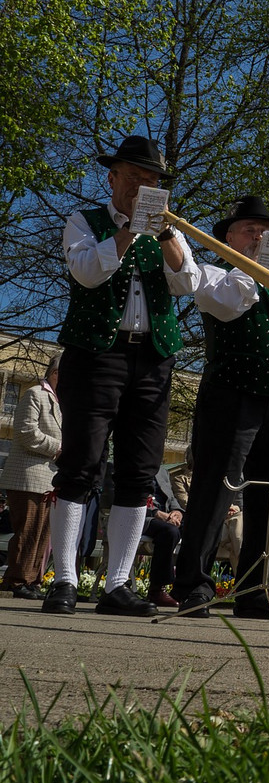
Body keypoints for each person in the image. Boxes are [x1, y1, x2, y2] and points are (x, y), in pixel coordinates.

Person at [45, 136, 200, 618]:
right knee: (80, 464)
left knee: (139, 472)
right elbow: (88, 272)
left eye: (151, 180)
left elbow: (189, 283)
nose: (143, 187)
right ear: (112, 178)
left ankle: (117, 586)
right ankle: (65, 581)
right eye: (134, 177)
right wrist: (131, 229)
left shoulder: (170, 233)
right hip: (96, 355)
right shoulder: (82, 223)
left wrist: (167, 233)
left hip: (153, 360)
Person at [174, 196, 269, 621]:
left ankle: (256, 588)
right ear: (228, 238)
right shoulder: (215, 274)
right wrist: (259, 267)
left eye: (265, 230)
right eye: (249, 230)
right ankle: (193, 585)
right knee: (215, 488)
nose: (260, 236)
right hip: (230, 393)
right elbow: (229, 304)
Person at [0, 355, 62, 599]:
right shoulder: (35, 394)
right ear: (55, 373)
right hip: (27, 477)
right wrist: (59, 448)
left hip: (48, 479)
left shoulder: (60, 400)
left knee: (42, 533)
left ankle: (32, 580)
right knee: (27, 530)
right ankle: (16, 580)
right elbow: (27, 432)